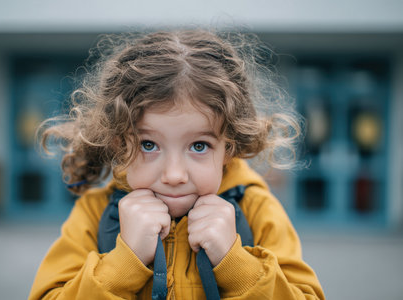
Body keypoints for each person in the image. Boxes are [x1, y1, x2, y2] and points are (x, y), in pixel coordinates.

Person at [28, 29, 325, 299]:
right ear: (119, 143)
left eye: (199, 146)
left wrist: (234, 263)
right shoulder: (95, 213)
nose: (173, 175)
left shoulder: (256, 209)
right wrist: (124, 262)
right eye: (149, 145)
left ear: (229, 149)